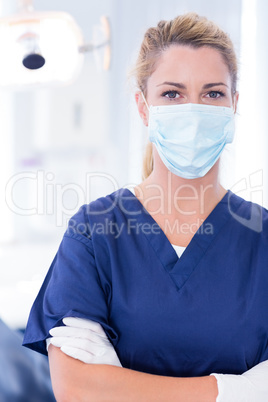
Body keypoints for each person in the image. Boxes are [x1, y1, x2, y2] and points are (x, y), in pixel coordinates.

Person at [23, 12, 268, 401]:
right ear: (143, 107)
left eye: (213, 93)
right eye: (172, 93)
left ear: (234, 105)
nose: (193, 109)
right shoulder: (95, 230)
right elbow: (76, 388)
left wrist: (120, 385)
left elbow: (98, 389)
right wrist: (236, 391)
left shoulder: (262, 239)